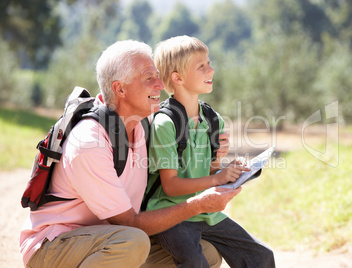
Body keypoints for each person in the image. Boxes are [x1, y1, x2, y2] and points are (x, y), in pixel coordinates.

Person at [19, 40, 240, 268]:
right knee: (132, 241)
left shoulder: (143, 126)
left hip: (110, 240)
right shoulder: (90, 142)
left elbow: (176, 169)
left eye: (157, 76)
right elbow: (128, 222)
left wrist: (214, 159)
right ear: (120, 89)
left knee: (206, 253)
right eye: (148, 78)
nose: (160, 85)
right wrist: (198, 205)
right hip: (55, 247)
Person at [145, 35, 276, 268]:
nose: (211, 70)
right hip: (173, 214)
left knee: (261, 256)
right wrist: (217, 177)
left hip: (206, 213)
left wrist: (223, 165)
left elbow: (208, 172)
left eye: (209, 62)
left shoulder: (213, 120)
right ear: (177, 77)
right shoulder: (165, 124)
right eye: (202, 66)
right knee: (196, 263)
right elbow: (171, 185)